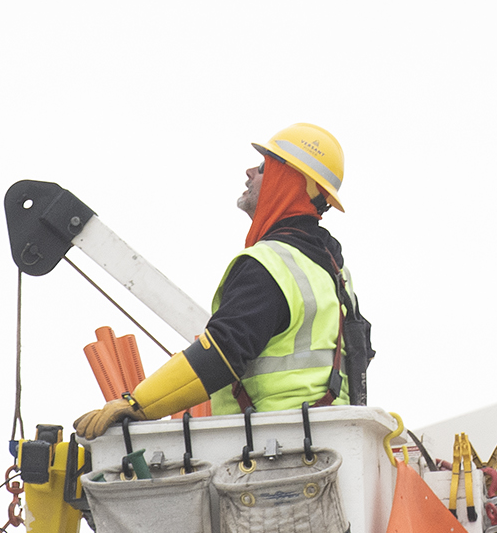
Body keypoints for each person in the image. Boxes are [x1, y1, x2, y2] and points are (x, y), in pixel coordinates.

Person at [76, 124, 373, 435]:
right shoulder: (334, 273)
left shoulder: (272, 264)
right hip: (327, 440)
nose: (249, 172)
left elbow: (221, 352)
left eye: (262, 166)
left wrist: (138, 404)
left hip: (279, 451)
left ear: (286, 181)